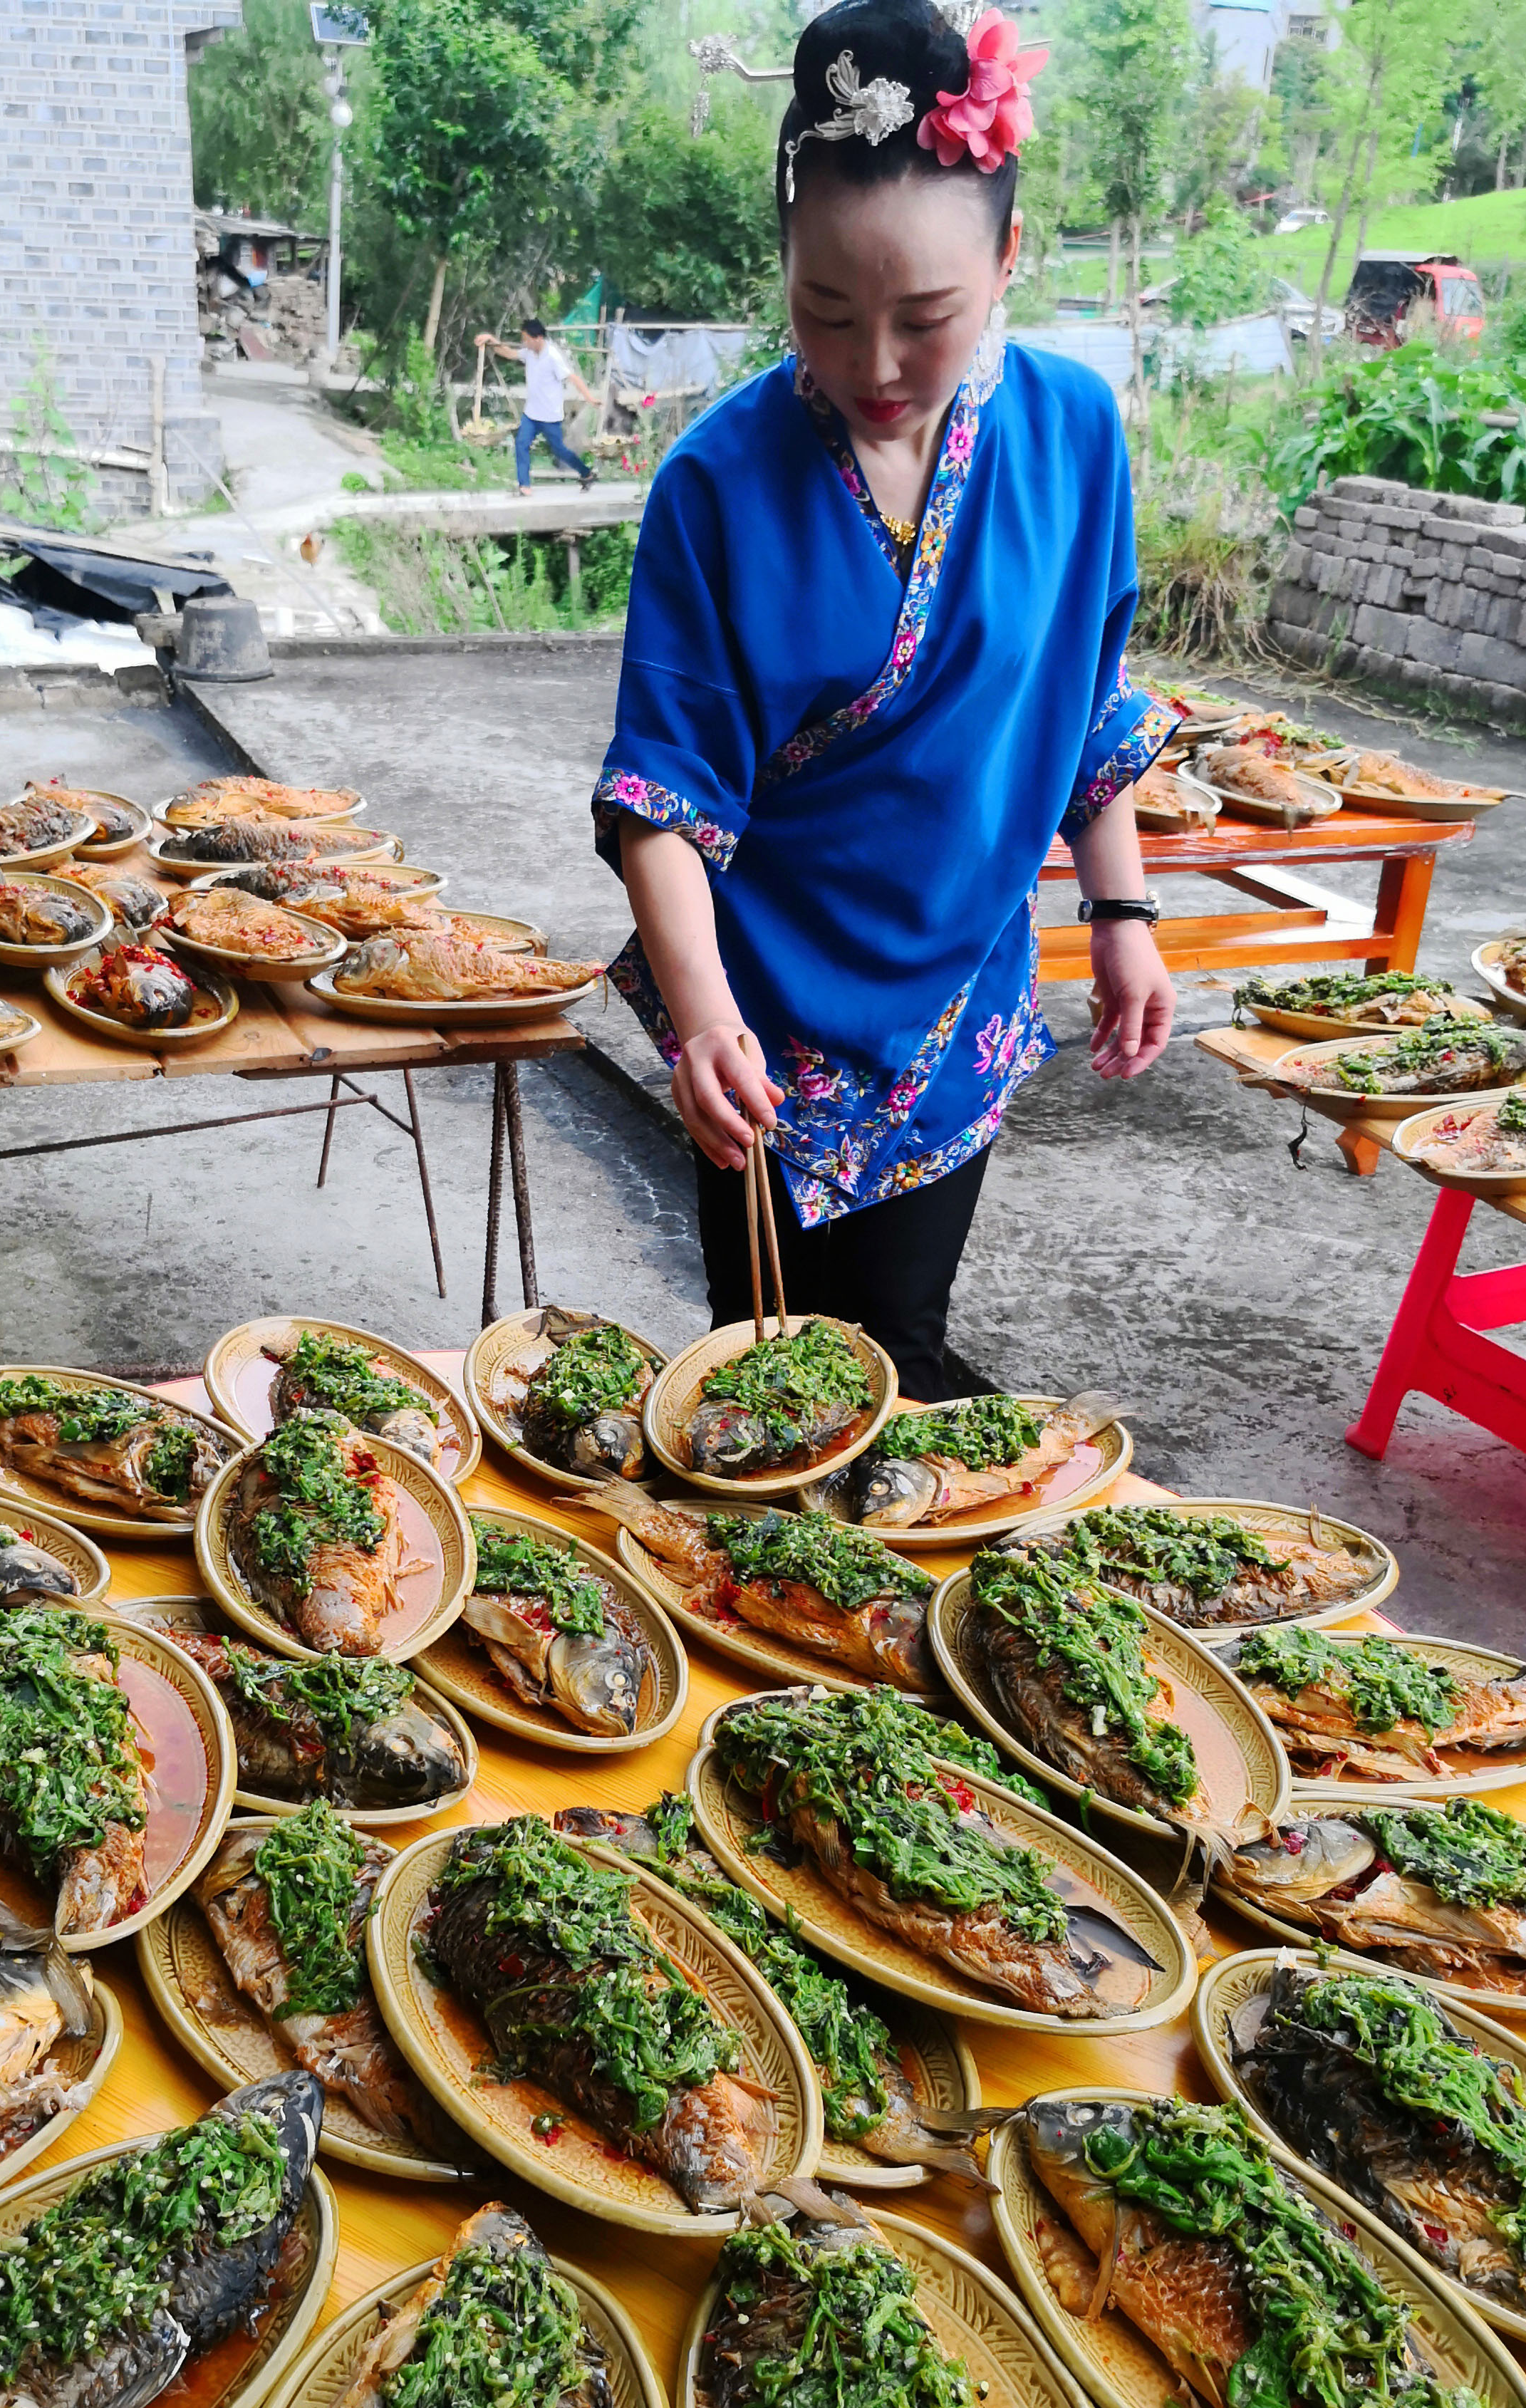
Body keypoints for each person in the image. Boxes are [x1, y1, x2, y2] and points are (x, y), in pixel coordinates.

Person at [591, 0, 1177, 1398]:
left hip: (957, 1004)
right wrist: (704, 1013)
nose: (875, 369)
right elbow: (662, 796)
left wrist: (1123, 914)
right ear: (784, 267)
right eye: (825, 316)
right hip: (767, 1024)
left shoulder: (1075, 437)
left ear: (1010, 261)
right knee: (769, 1383)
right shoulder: (717, 487)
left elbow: (1086, 694)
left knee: (899, 1355)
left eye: (929, 321)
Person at [475, 317, 600, 494]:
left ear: (538, 338)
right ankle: (524, 485)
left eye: (526, 339)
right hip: (531, 414)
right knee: (521, 444)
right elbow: (509, 353)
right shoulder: (529, 351)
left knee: (560, 451)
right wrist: (491, 340)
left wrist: (590, 398)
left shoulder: (553, 356)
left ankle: (586, 473)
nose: (523, 343)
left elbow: (573, 378)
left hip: (550, 416)